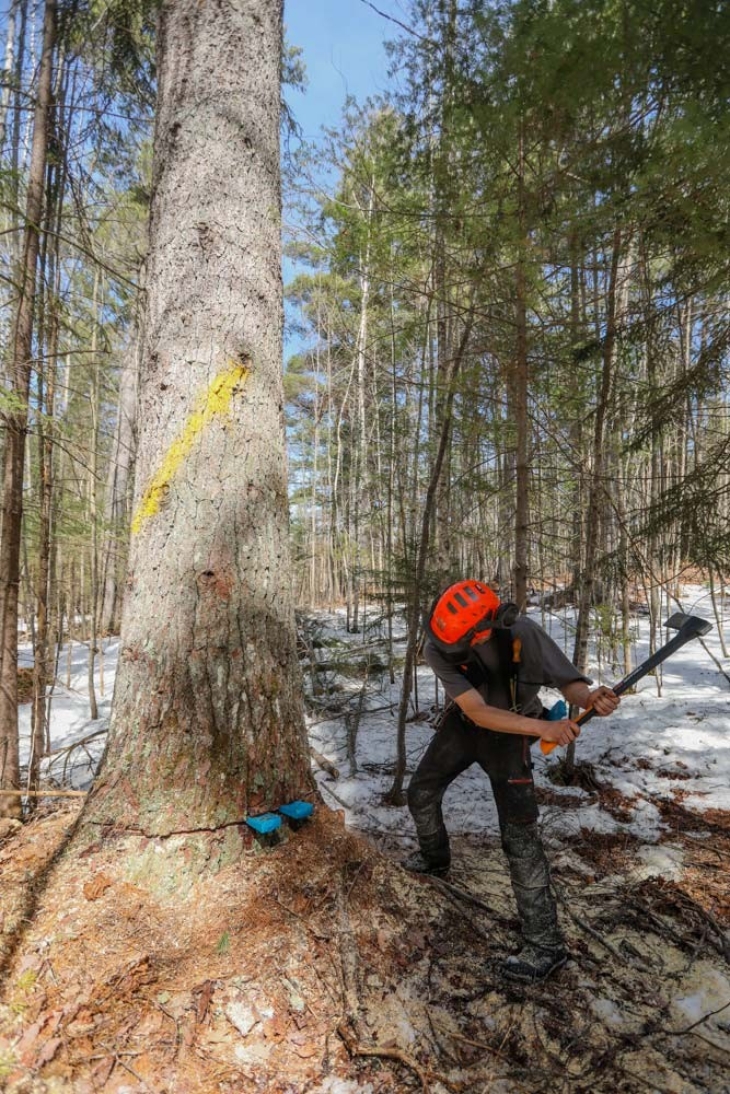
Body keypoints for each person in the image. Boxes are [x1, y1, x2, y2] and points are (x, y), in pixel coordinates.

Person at [403, 579, 619, 984]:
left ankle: (545, 945)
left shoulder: (522, 633)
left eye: (464, 643)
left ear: (486, 627)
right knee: (421, 792)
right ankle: (435, 859)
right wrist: (542, 729)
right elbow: (478, 710)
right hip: (468, 725)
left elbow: (566, 681)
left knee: (519, 837)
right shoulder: (437, 645)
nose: (451, 651)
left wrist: (590, 699)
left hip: (510, 740)